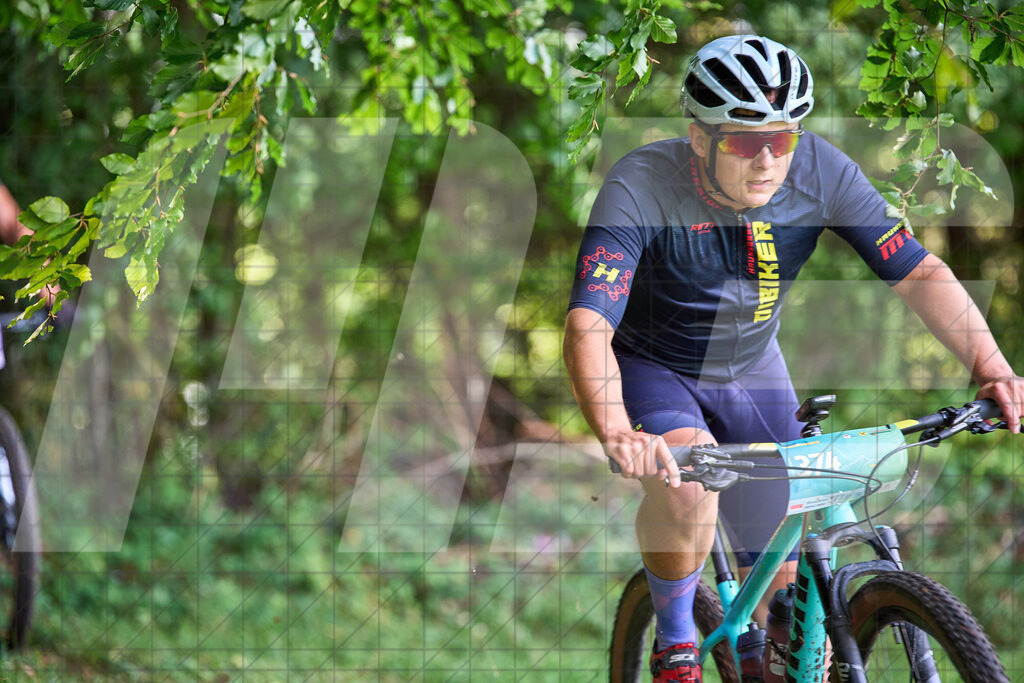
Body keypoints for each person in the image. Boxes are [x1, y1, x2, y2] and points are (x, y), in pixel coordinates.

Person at [563, 34, 1023, 682]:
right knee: (691, 485)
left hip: (753, 369)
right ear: (700, 138)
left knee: (785, 606)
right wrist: (616, 429)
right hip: (655, 368)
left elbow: (917, 273)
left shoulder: (821, 172)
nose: (768, 159)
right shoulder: (640, 185)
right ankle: (674, 642)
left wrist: (992, 365)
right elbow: (587, 325)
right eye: (746, 142)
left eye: (783, 139)